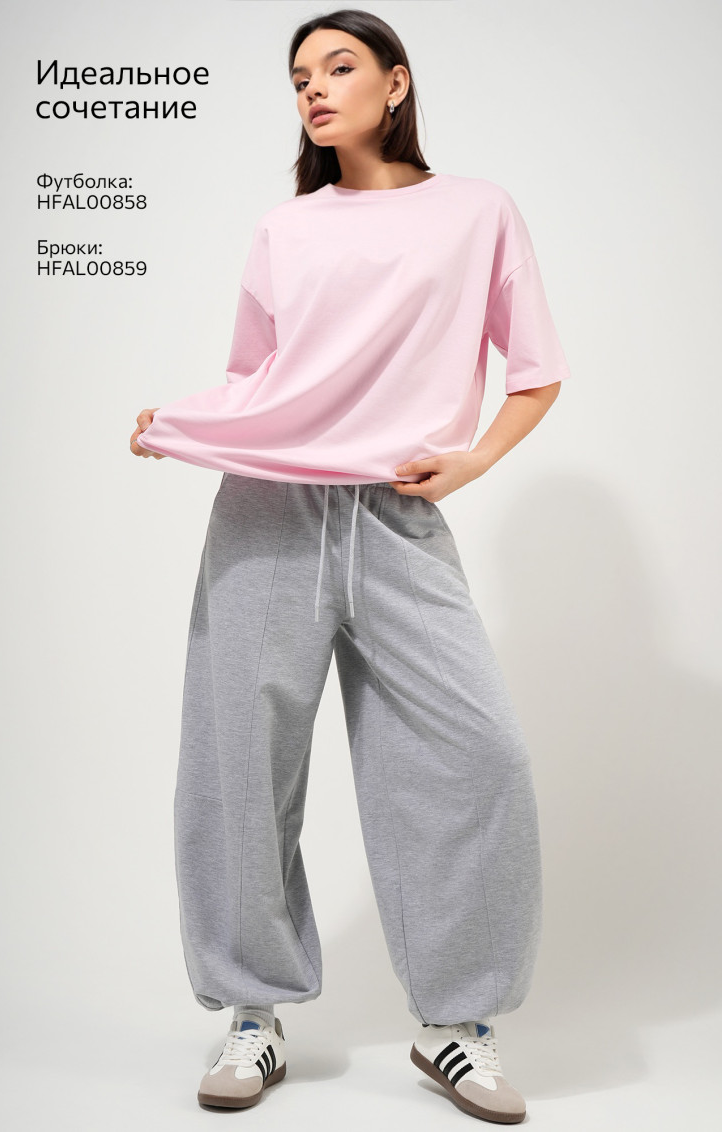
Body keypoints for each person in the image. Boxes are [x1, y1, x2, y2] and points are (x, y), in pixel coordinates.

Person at [130, 8, 571, 1124]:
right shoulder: (288, 228)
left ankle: (455, 1024)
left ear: (396, 81)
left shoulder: (478, 211)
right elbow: (258, 387)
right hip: (266, 517)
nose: (315, 90)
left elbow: (535, 371)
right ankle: (253, 1011)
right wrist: (182, 422)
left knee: (481, 757)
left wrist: (471, 461)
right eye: (299, 79)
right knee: (239, 767)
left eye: (337, 67)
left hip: (397, 516)